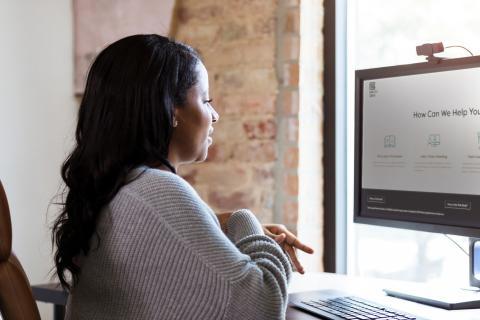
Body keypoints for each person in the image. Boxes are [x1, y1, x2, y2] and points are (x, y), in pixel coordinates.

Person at [52, 34, 313, 320]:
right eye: (205, 100)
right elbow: (263, 306)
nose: (214, 116)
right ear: (171, 109)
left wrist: (215, 223)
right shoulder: (157, 189)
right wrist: (244, 219)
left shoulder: (115, 187)